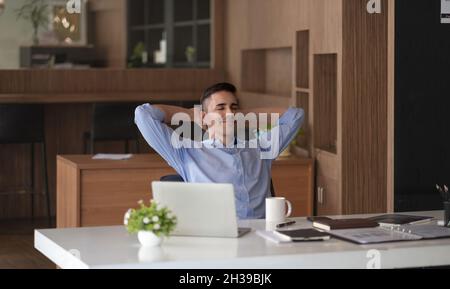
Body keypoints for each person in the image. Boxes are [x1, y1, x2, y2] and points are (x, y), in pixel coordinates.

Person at [135, 82, 304, 219]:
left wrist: (242, 116)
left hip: (263, 236)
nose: (229, 112)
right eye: (220, 108)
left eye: (234, 107)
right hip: (217, 239)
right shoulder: (186, 152)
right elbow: (143, 115)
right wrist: (190, 115)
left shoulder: (261, 148)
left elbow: (295, 115)